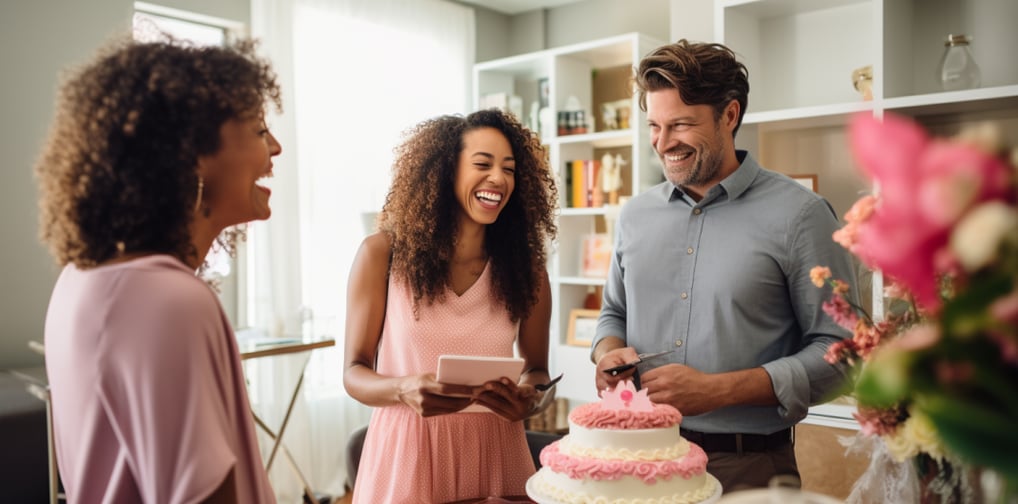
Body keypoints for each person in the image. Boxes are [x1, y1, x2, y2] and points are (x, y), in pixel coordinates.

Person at [590, 39, 856, 492]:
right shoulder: (634, 215)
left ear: (729, 116)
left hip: (747, 469)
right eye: (654, 125)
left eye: (681, 125)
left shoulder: (802, 215)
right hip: (635, 456)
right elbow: (614, 312)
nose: (662, 142)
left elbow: (844, 354)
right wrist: (606, 353)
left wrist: (721, 390)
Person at [35, 37, 283, 503]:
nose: (275, 147)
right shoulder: (166, 300)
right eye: (257, 129)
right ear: (191, 152)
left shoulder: (82, 277)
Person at [343, 108, 558, 503]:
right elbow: (353, 372)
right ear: (445, 172)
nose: (498, 178)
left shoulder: (527, 270)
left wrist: (530, 395)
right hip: (407, 454)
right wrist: (403, 388)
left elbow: (537, 369)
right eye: (483, 163)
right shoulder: (381, 255)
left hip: (497, 452)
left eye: (509, 169)